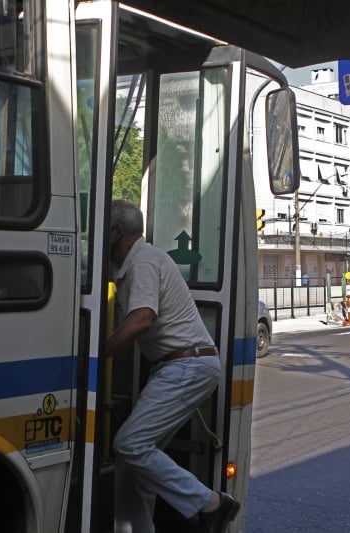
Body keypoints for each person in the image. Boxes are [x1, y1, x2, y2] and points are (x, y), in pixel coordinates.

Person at [105, 199, 240, 533]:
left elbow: (141, 319)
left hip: (186, 367)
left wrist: (94, 355)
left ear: (116, 232)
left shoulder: (144, 262)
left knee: (129, 443)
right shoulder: (138, 262)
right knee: (134, 463)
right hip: (183, 365)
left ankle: (211, 504)